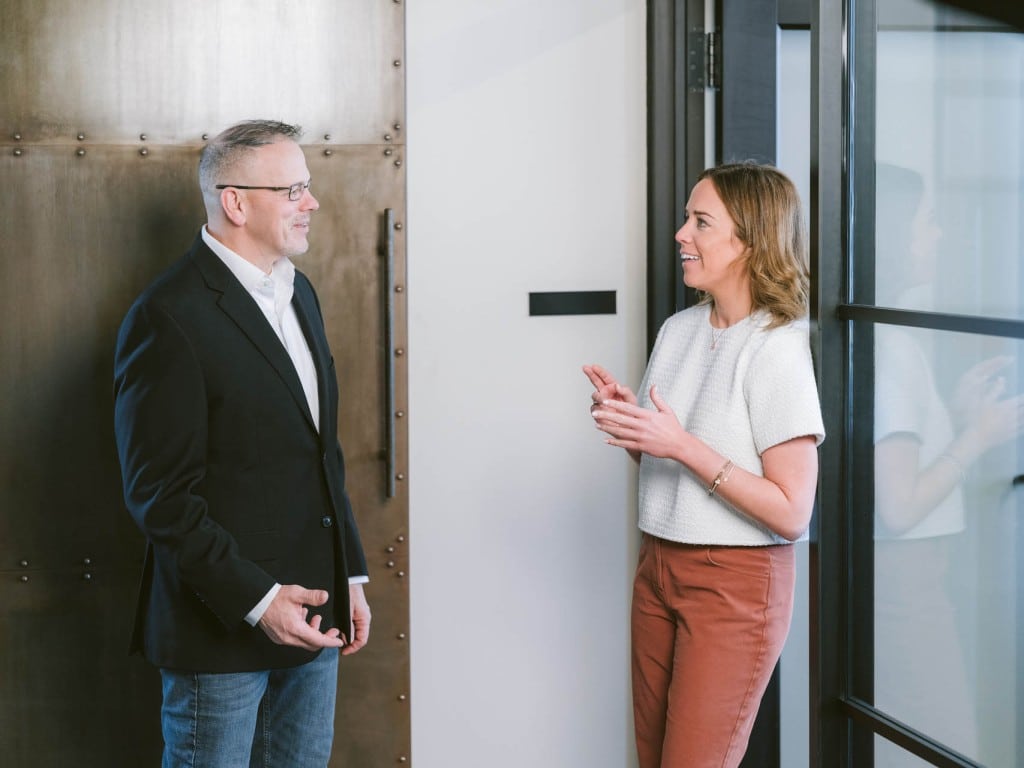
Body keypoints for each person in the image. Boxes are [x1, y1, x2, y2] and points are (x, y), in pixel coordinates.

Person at [113, 119, 371, 768]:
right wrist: (260, 604)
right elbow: (160, 498)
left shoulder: (299, 292)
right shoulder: (167, 315)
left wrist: (350, 572)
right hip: (220, 633)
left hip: (315, 617)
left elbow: (320, 454)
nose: (310, 203)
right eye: (293, 190)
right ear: (236, 202)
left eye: (307, 187)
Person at [584, 162, 824, 768]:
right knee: (653, 758)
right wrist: (638, 428)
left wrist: (681, 444)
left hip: (735, 585)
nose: (680, 234)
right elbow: (673, 464)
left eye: (700, 221)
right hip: (658, 564)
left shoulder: (776, 348)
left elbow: (793, 512)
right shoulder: (679, 329)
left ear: (748, 240)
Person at [872, 163, 1024, 765]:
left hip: (896, 578)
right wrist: (976, 440)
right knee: (948, 744)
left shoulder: (879, 338)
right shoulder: (891, 349)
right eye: (927, 222)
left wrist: (957, 421)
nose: (937, 236)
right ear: (895, 234)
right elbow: (900, 506)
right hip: (903, 583)